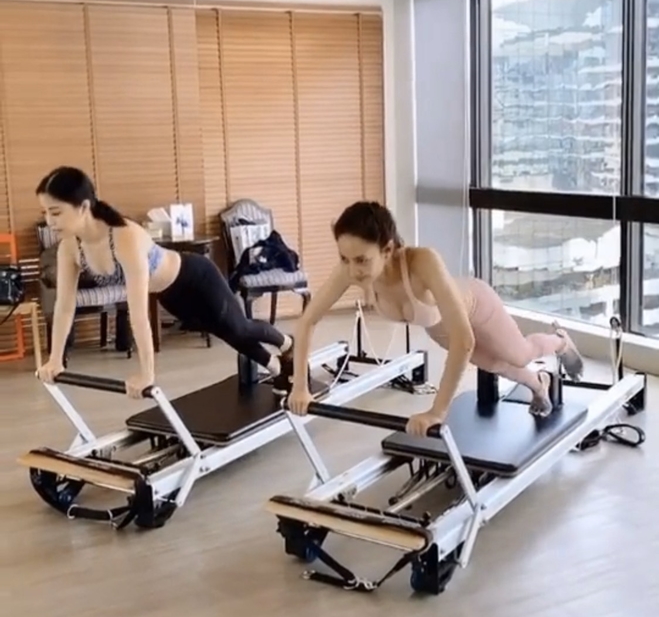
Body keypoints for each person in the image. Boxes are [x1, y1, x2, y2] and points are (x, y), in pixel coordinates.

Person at [286, 200, 584, 436]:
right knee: (495, 365)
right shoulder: (350, 271)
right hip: (439, 327)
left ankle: (560, 342)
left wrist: (437, 412)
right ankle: (539, 385)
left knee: (519, 355)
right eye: (344, 259)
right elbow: (308, 321)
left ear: (387, 249)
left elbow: (464, 340)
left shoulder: (422, 261)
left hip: (477, 307)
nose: (353, 270)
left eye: (362, 260)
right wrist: (300, 386)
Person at [35, 166, 294, 398]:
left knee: (239, 328)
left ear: (83, 207)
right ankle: (277, 367)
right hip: (171, 295)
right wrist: (55, 359)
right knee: (226, 332)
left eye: (56, 212)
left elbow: (138, 314)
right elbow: (64, 306)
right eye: (45, 212)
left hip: (196, 277)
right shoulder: (69, 248)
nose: (49, 221)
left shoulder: (124, 237)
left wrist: (147, 374)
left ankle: (288, 343)